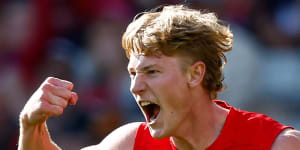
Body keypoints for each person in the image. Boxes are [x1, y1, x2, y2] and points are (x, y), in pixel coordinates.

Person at [18, 5, 300, 150]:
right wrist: (31, 125)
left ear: (195, 74)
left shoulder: (277, 145)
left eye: (152, 72)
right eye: (132, 73)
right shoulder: (131, 143)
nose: (135, 87)